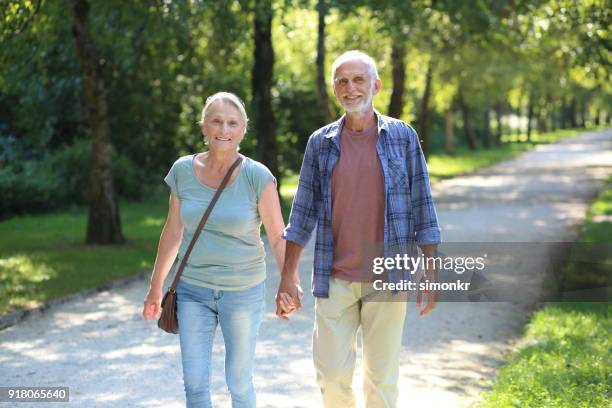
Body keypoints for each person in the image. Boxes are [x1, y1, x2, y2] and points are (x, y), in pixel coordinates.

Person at [276, 50, 442, 408]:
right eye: (342, 81)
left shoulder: (403, 136)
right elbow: (302, 214)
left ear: (376, 85)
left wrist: (431, 272)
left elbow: (422, 206)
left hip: (388, 276)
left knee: (381, 380)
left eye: (358, 79)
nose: (350, 88)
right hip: (335, 276)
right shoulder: (320, 143)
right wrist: (288, 276)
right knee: (331, 375)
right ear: (335, 89)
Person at [142, 92, 285, 408]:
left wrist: (288, 283)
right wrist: (155, 288)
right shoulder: (182, 170)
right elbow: (173, 231)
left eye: (232, 123)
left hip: (242, 291)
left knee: (239, 383)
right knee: (194, 384)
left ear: (243, 131)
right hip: (193, 290)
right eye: (216, 121)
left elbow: (277, 236)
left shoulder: (257, 176)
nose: (224, 129)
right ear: (204, 127)